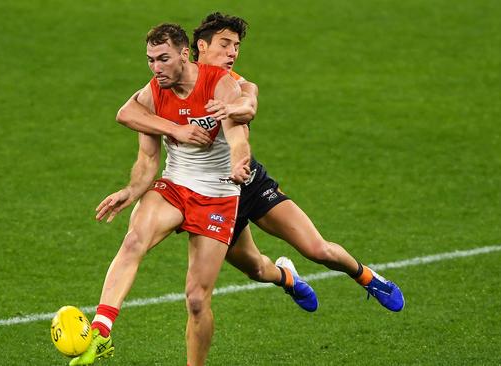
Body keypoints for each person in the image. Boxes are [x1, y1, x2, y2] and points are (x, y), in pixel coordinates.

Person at [115, 12, 405, 314]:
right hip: (213, 200)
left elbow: (249, 100)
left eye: (237, 47)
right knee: (256, 270)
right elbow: (129, 113)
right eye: (225, 45)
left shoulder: (235, 83)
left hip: (249, 183)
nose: (232, 53)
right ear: (200, 46)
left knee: (318, 249)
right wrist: (174, 130)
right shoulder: (171, 82)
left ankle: (368, 277)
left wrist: (233, 106)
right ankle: (287, 278)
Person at [70, 23, 252, 366]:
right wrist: (133, 189)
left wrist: (239, 164)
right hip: (176, 185)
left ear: (185, 54)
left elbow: (239, 136)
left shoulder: (219, 84)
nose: (156, 68)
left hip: (217, 193)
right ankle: (102, 330)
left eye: (163, 59)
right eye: (151, 60)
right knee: (134, 239)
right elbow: (145, 152)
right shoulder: (155, 92)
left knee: (197, 300)